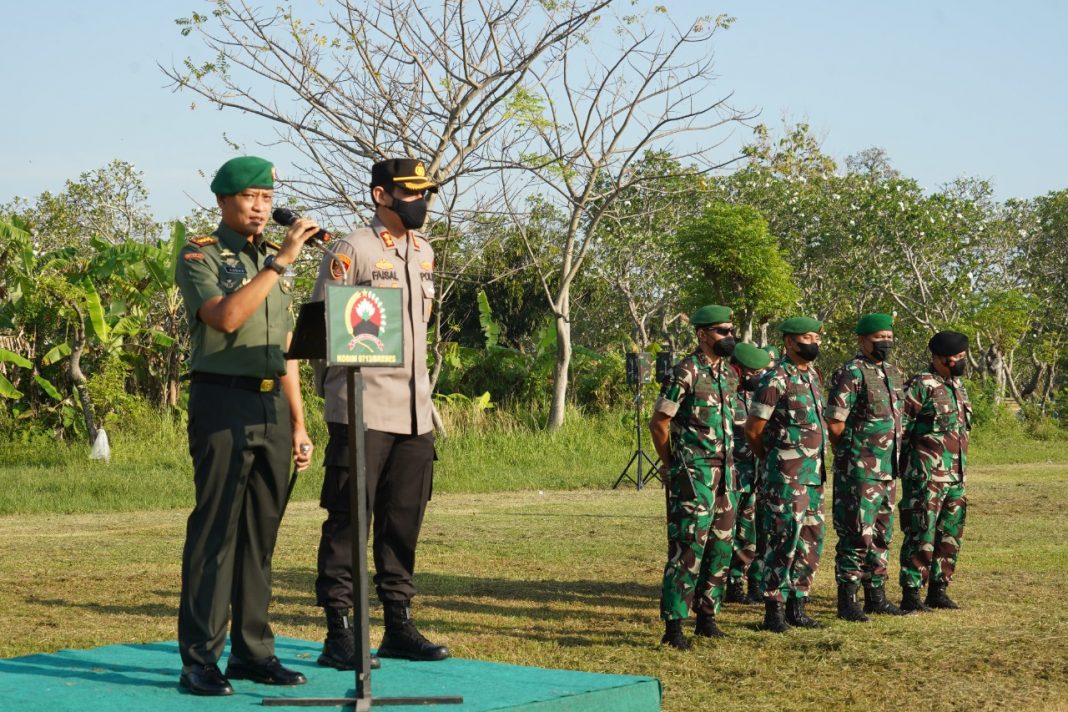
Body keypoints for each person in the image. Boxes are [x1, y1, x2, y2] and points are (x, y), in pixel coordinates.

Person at [175, 156, 318, 696]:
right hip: (222, 403)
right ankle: (199, 660)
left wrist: (300, 424)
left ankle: (254, 653)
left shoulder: (270, 261)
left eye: (266, 196)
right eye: (249, 197)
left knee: (261, 535)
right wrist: (280, 263)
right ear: (223, 201)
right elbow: (227, 318)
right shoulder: (201, 255)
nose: (260, 207)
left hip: (271, 408)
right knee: (216, 533)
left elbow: (285, 349)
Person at [310, 158, 447, 670]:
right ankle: (339, 630)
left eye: (426, 193)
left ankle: (398, 624)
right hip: (363, 408)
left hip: (415, 411)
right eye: (412, 193)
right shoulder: (353, 249)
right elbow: (326, 328)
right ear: (381, 196)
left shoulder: (424, 252)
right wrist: (339, 397)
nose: (422, 202)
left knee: (403, 520)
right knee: (349, 519)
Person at [649, 305, 738, 650]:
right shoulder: (685, 371)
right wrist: (672, 463)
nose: (729, 336)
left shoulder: (727, 373)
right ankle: (674, 627)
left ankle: (707, 618)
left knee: (720, 547)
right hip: (695, 474)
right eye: (721, 331)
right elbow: (660, 422)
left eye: (730, 330)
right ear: (702, 335)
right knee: (688, 549)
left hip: (727, 475)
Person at [745, 317, 827, 633]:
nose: (813, 343)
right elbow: (754, 429)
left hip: (813, 478)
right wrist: (773, 462)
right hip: (785, 479)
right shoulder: (775, 379)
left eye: (816, 338)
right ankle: (773, 613)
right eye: (806, 337)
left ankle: (798, 607)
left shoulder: (813, 377)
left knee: (810, 541)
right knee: (781, 542)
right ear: (790, 342)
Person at [826, 313, 908, 621]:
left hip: (889, 469)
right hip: (860, 470)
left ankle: (877, 595)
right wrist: (851, 458)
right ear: (862, 340)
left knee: (882, 533)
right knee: (857, 533)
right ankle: (848, 600)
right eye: (878, 337)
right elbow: (835, 422)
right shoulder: (851, 372)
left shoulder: (893, 373)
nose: (885, 342)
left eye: (888, 336)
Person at [898, 330, 972, 611]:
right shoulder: (921, 385)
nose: (962, 361)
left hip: (955, 475)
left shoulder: (958, 386)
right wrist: (908, 467)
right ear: (940, 358)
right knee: (921, 533)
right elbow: (901, 428)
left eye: (964, 356)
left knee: (950, 534)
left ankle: (939, 589)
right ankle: (911, 593)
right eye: (958, 357)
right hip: (925, 476)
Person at [725, 342, 772, 606]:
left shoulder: (759, 395)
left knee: (758, 532)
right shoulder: (726, 393)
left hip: (757, 475)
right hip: (733, 476)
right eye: (756, 371)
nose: (760, 376)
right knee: (733, 532)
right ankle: (732, 583)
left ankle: (756, 583)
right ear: (740, 370)